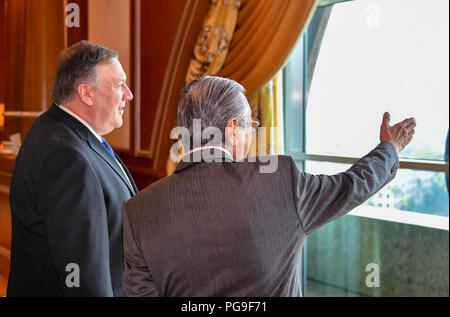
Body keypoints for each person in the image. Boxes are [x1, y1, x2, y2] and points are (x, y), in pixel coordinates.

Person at [122, 76, 415, 297]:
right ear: (232, 129)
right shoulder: (279, 181)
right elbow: (351, 186)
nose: (252, 133)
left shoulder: (139, 211)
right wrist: (389, 148)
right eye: (251, 125)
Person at [7, 41, 137, 297]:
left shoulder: (61, 130)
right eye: (119, 84)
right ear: (86, 93)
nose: (128, 94)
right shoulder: (66, 156)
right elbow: (81, 271)